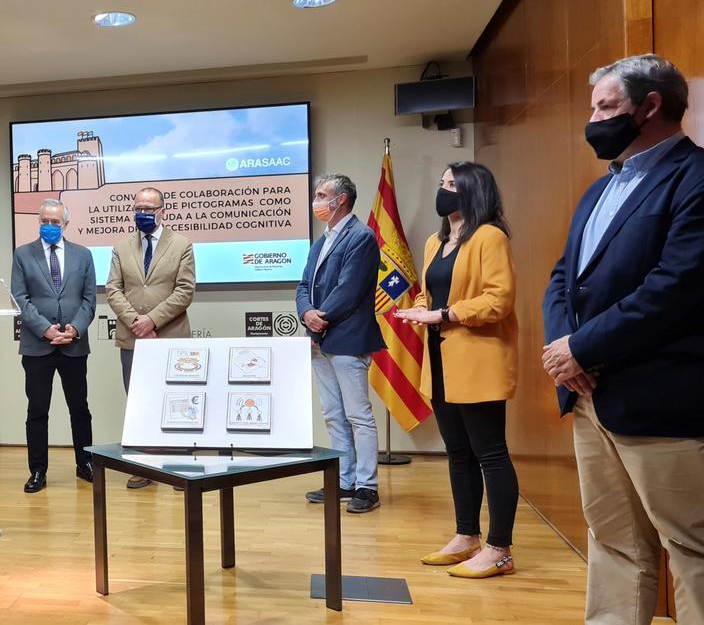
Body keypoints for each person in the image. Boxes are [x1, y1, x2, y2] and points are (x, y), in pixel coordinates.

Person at [541, 54, 704, 622]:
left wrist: (583, 348)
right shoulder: (597, 190)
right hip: (589, 397)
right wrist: (566, 353)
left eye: (606, 107)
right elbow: (563, 277)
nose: (593, 120)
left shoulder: (695, 177)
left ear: (650, 106)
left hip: (660, 399)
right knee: (612, 542)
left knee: (691, 547)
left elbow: (677, 287)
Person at [396, 162, 519, 578]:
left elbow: (498, 300)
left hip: (478, 359)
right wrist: (418, 309)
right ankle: (467, 537)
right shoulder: (435, 241)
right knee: (458, 454)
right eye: (441, 183)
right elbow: (430, 293)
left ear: (470, 190)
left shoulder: (490, 236)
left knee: (491, 454)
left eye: (451, 184)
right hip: (440, 361)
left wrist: (445, 314)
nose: (443, 190)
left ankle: (500, 549)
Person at [295, 174, 385, 513]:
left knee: (358, 416)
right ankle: (344, 482)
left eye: (322, 195)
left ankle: (367, 486)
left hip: (347, 339)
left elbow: (350, 290)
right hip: (320, 341)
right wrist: (307, 313)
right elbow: (303, 285)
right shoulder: (322, 241)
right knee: (333, 415)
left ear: (341, 200)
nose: (316, 201)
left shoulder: (360, 237)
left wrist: (321, 316)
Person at [105, 186, 196, 489]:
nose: (142, 213)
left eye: (149, 208)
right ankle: (145, 465)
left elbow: (185, 291)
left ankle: (179, 465)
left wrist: (152, 320)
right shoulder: (121, 247)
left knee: (177, 402)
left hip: (170, 338)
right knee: (140, 403)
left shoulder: (182, 244)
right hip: (133, 339)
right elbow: (113, 290)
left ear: (162, 211)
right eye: (138, 208)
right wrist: (135, 321)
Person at [11, 199, 97, 493]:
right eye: (44, 221)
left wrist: (74, 329)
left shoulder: (83, 255)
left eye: (55, 222)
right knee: (37, 410)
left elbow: (89, 300)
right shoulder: (23, 254)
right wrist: (46, 330)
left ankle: (84, 463)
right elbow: (20, 298)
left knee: (80, 408)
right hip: (38, 346)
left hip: (74, 345)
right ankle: (37, 470)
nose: (49, 226)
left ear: (65, 224)